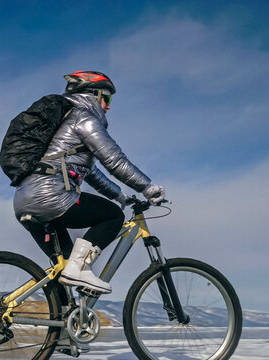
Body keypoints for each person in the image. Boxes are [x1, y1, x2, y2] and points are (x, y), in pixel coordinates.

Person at [13, 71, 165, 294]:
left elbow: (92, 173)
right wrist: (147, 188)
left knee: (61, 268)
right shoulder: (83, 117)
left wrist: (119, 195)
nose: (109, 106)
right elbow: (114, 160)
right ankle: (80, 267)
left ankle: (61, 323)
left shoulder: (65, 125)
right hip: (52, 195)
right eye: (108, 99)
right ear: (93, 95)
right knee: (113, 215)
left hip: (24, 199)